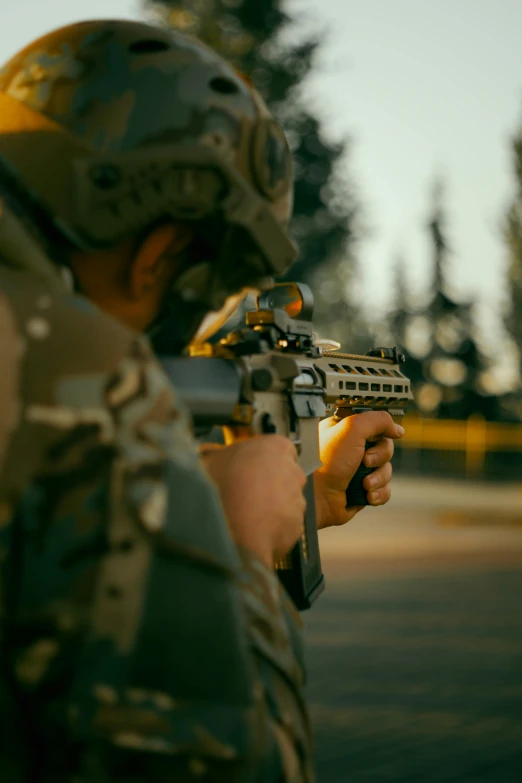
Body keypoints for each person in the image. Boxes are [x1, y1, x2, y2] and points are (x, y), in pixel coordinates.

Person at [0, 19, 402, 783]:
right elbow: (230, 763)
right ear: (158, 251)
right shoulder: (78, 375)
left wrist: (304, 497)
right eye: (198, 278)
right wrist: (247, 550)